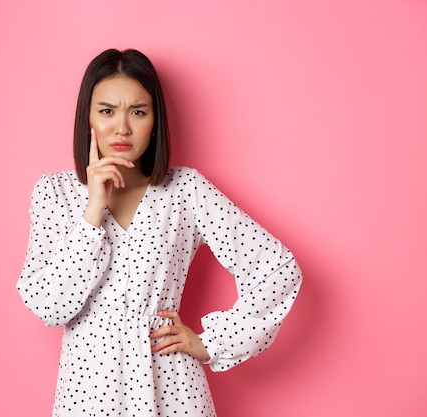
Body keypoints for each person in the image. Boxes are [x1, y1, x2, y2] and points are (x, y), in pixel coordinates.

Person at [16, 48, 302, 417]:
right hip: (86, 393)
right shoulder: (55, 193)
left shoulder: (186, 190)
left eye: (138, 111)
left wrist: (213, 341)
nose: (122, 127)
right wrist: (92, 212)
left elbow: (276, 268)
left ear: (155, 120)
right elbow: (49, 306)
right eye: (106, 111)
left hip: (172, 389)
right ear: (86, 118)